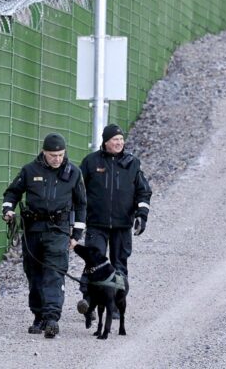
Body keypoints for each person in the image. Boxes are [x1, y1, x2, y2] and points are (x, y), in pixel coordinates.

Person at [2, 132, 87, 339]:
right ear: (44, 153)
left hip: (58, 231)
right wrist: (8, 210)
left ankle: (51, 319)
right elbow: (12, 192)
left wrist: (76, 234)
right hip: (33, 230)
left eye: (60, 155)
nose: (57, 159)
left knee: (54, 273)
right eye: (52, 155)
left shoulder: (73, 172)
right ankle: (38, 316)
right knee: (34, 274)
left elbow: (81, 204)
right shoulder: (30, 170)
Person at [76, 123, 152, 318]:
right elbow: (77, 190)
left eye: (121, 140)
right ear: (106, 142)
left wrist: (141, 216)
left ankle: (115, 305)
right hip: (96, 224)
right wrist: (75, 219)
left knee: (119, 266)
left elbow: (143, 191)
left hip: (122, 226)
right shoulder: (90, 162)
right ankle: (89, 302)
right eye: (114, 140)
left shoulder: (132, 163)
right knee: (94, 263)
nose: (119, 143)